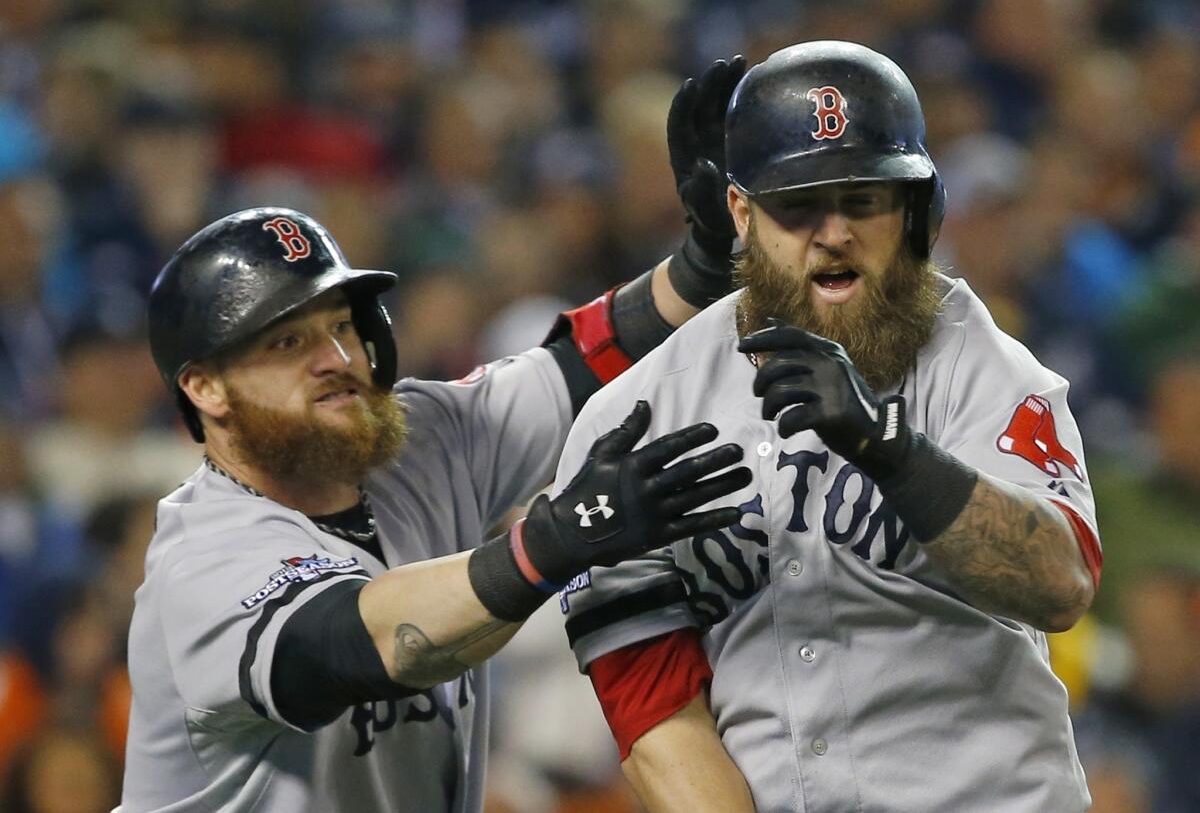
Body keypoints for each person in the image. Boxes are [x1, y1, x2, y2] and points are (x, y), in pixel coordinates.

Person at [557, 41, 1103, 812]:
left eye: (863, 199)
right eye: (798, 204)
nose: (834, 232)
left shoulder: (976, 362)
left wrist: (893, 451)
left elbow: (1060, 584)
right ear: (741, 214)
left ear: (916, 212)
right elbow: (655, 713)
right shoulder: (637, 416)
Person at [118, 174, 756, 809]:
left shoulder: (415, 443)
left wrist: (703, 259)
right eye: (289, 341)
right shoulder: (200, 559)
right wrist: (558, 539)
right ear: (205, 388)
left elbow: (589, 362)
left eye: (342, 326)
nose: (336, 358)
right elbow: (357, 643)